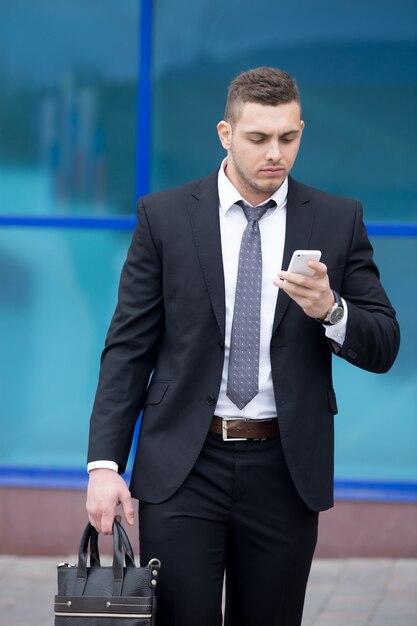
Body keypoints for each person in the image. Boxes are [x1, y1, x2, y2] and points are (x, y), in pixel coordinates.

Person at [86, 67, 400, 626]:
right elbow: (128, 349)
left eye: (288, 137)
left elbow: (384, 345)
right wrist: (104, 466)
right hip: (183, 465)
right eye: (258, 138)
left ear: (301, 129)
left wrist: (331, 309)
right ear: (226, 135)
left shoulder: (336, 219)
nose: (275, 153)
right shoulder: (163, 217)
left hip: (285, 467)